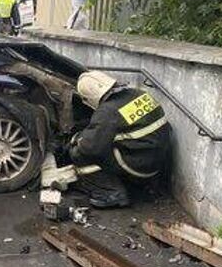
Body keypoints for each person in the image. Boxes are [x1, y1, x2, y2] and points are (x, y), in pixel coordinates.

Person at [67, 70, 171, 208]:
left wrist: (76, 139)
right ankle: (137, 185)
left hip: (139, 166)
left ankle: (111, 194)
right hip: (157, 161)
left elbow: (90, 147)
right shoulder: (138, 93)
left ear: (90, 96)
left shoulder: (108, 111)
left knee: (79, 153)